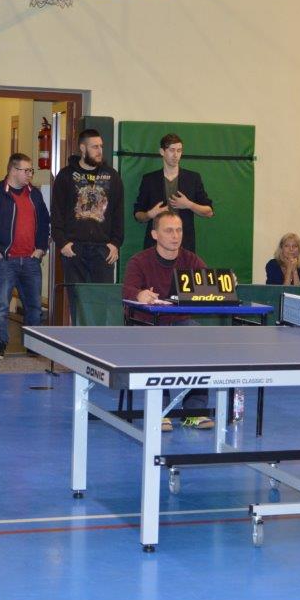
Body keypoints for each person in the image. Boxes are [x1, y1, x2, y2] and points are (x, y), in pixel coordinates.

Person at [122, 211, 212, 431]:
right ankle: (159, 411)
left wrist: (224, 283)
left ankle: (194, 412)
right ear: (155, 234)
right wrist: (139, 294)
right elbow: (127, 290)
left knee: (201, 340)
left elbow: (209, 286)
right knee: (158, 345)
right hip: (147, 325)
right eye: (169, 230)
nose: (175, 235)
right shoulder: (139, 261)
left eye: (179, 230)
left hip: (180, 323)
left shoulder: (191, 260)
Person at [0, 153, 51, 359]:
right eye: (27, 171)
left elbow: (44, 222)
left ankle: (34, 345)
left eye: (31, 170)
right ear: (13, 171)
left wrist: (41, 248)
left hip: (31, 260)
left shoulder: (35, 195)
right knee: (1, 305)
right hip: (4, 261)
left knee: (34, 306)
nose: (30, 174)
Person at [51, 129, 125, 290]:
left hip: (103, 249)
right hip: (74, 248)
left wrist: (115, 243)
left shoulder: (112, 176)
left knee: (101, 299)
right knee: (77, 299)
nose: (100, 151)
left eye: (101, 146)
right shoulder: (65, 176)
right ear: (83, 148)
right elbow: (56, 212)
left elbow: (118, 213)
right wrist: (62, 242)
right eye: (95, 147)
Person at [133, 133, 214, 253]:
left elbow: (209, 212)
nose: (176, 155)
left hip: (184, 245)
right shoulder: (149, 179)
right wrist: (150, 214)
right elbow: (138, 215)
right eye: (172, 150)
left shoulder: (193, 178)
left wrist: (188, 204)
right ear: (162, 151)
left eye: (179, 150)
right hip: (155, 246)